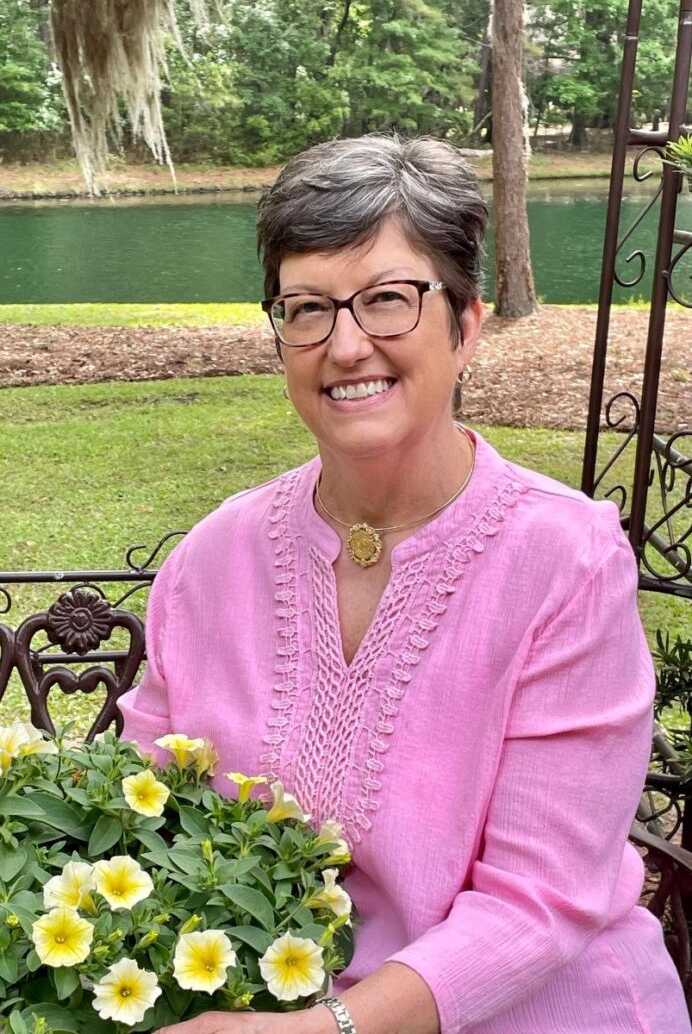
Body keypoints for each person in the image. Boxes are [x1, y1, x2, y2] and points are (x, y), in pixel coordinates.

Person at [118, 134, 690, 1034]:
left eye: (387, 300)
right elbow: (138, 813)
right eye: (307, 309)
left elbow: (540, 899)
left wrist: (325, 1030)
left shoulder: (565, 562)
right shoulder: (211, 562)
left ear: (466, 324)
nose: (346, 346)